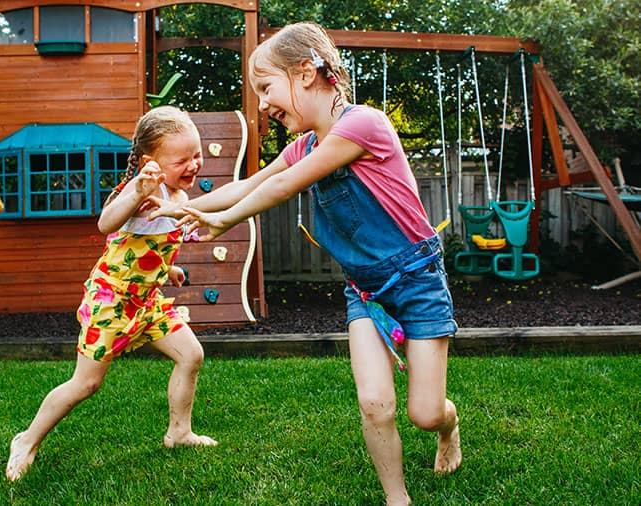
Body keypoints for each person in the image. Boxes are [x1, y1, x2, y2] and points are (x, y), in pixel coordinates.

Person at [150, 22, 461, 505]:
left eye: (266, 87)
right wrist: (186, 207)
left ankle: (448, 424)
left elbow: (284, 187)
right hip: (364, 289)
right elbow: (251, 184)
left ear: (305, 73)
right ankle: (396, 499)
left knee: (424, 412)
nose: (262, 104)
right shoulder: (302, 147)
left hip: (416, 278)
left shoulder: (362, 125)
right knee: (374, 403)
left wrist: (225, 221)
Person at [5, 106, 217, 482]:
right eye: (182, 159)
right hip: (111, 302)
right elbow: (107, 224)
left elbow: (144, 249)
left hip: (146, 301)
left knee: (191, 354)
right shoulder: (140, 194)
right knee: (86, 383)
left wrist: (170, 270)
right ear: (151, 163)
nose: (194, 165)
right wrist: (137, 189)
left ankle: (179, 433)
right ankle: (26, 439)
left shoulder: (178, 198)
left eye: (196, 155)